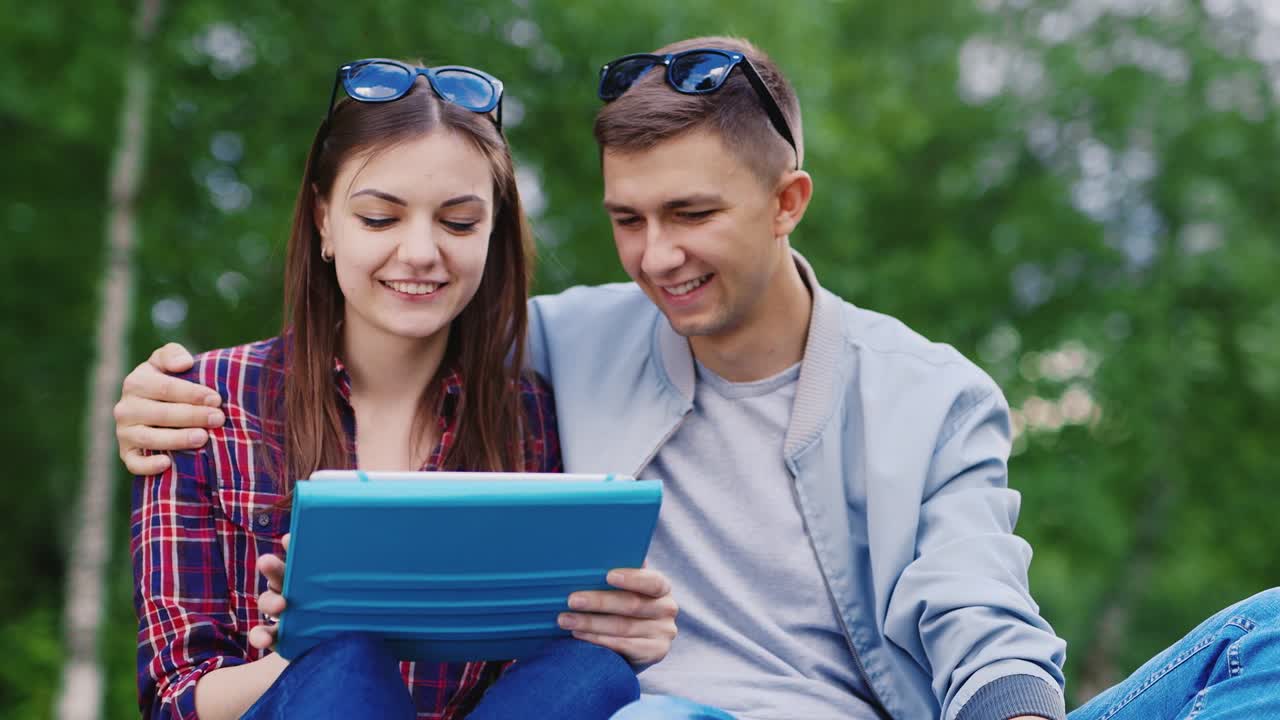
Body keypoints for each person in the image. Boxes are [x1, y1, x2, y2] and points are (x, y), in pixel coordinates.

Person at [116, 39, 1280, 720]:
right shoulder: (563, 346)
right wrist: (160, 392)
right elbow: (393, 312)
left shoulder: (928, 390)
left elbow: (975, 608)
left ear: (786, 203)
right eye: (626, 219)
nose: (654, 256)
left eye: (689, 214)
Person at [127, 58, 676, 720]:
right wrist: (301, 649)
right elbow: (173, 696)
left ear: (494, 229)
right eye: (381, 219)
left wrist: (629, 631)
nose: (420, 252)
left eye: (458, 222)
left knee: (592, 671)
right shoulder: (204, 403)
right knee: (345, 664)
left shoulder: (531, 414)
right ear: (325, 221)